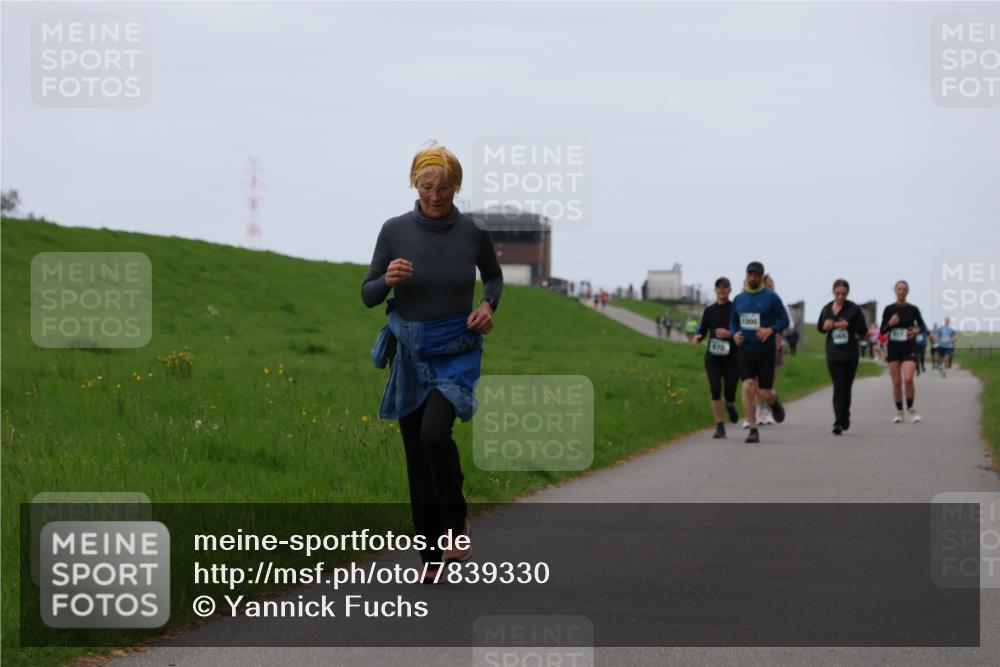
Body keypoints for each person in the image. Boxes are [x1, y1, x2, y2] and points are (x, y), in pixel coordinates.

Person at [363, 141, 503, 583]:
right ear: (415, 184)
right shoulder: (394, 230)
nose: (435, 196)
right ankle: (429, 556)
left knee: (434, 436)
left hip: (456, 351)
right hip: (409, 353)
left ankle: (456, 518)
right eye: (427, 186)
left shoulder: (473, 233)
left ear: (456, 187)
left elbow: (494, 277)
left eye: (443, 188)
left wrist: (488, 306)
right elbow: (368, 295)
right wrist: (387, 279)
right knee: (415, 455)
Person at [730, 261, 789, 444]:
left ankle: (774, 401)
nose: (753, 277)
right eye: (750, 274)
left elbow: (784, 320)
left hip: (765, 350)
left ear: (761, 277)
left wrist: (770, 330)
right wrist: (734, 334)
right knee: (747, 386)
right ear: (746, 275)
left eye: (756, 275)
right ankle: (753, 428)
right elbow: (733, 321)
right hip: (746, 349)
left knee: (764, 392)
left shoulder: (772, 297)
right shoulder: (739, 299)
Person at [818, 279, 868, 435]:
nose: (840, 296)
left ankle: (845, 415)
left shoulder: (853, 309)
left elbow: (863, 330)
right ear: (833, 292)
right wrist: (824, 326)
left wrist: (848, 326)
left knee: (846, 387)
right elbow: (820, 327)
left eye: (843, 294)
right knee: (838, 386)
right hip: (833, 353)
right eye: (837, 293)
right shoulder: (827, 309)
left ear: (848, 293)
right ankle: (838, 421)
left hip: (850, 353)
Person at [695, 277, 741, 438]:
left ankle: (730, 404)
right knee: (715, 389)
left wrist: (729, 334)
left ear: (730, 290)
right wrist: (698, 337)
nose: (721, 290)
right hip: (713, 357)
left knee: (729, 390)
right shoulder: (709, 310)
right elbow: (703, 328)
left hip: (732, 357)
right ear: (715, 290)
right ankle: (720, 426)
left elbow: (741, 330)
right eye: (718, 287)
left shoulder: (736, 309)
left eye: (725, 287)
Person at [879, 280, 928, 424]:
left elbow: (923, 327)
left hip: (909, 347)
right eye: (899, 289)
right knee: (896, 382)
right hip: (894, 348)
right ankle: (899, 411)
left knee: (908, 378)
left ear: (908, 291)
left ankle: (911, 409)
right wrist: (890, 324)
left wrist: (917, 330)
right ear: (895, 291)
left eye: (904, 289)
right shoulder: (889, 309)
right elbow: (882, 330)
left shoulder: (913, 309)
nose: (901, 291)